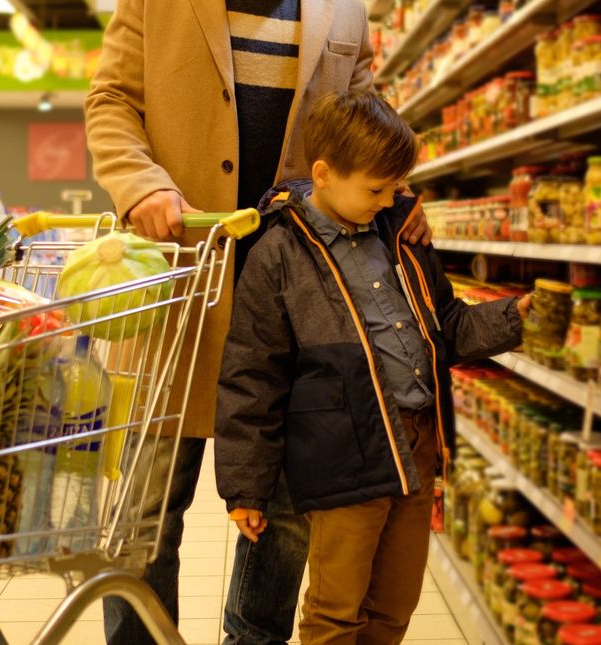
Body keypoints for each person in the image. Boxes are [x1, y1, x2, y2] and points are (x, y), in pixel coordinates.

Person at [84, 0, 430, 645]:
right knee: (144, 522)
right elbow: (112, 105)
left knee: (280, 524)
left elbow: (361, 128)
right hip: (174, 295)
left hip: (293, 312)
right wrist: (141, 186)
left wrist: (403, 195)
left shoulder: (345, 13)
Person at [214, 91, 530, 645]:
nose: (389, 201)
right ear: (324, 174)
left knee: (395, 603)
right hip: (345, 452)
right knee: (337, 609)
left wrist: (515, 317)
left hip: (417, 446)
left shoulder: (403, 239)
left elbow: (448, 327)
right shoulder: (281, 254)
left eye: (396, 188)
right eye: (376, 189)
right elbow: (252, 375)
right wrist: (246, 486)